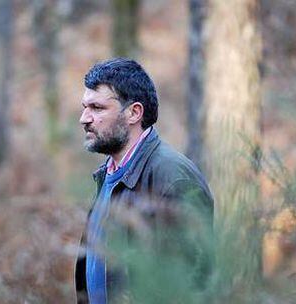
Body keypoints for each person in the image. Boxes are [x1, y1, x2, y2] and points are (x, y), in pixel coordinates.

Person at [75, 58, 213, 304]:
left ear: (134, 113)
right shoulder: (108, 174)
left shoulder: (172, 177)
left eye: (97, 108)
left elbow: (192, 283)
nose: (84, 118)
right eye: (85, 107)